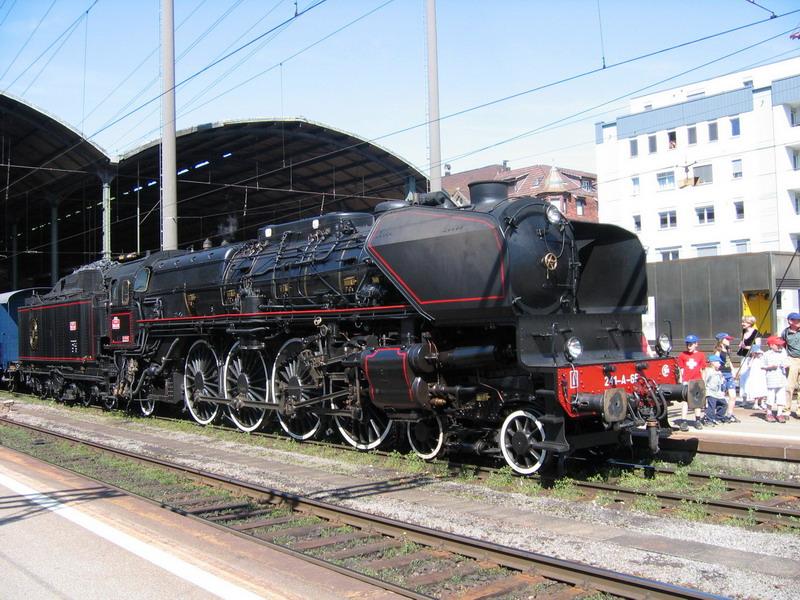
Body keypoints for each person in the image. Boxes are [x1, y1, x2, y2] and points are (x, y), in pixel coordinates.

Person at [677, 334, 707, 431]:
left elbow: (703, 369)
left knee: (697, 401)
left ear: (696, 344)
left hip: (697, 380)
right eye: (687, 344)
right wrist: (682, 380)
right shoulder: (682, 355)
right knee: (686, 400)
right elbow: (681, 368)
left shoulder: (701, 355)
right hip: (687, 381)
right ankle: (683, 420)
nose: (689, 346)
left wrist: (703, 381)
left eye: (691, 344)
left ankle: (697, 420)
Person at [713, 333, 739, 423]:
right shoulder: (718, 351)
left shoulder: (727, 350)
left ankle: (729, 414)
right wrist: (718, 371)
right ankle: (718, 414)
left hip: (729, 375)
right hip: (722, 375)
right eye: (727, 339)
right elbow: (715, 362)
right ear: (721, 340)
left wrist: (733, 370)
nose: (729, 341)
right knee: (721, 396)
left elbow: (728, 361)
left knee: (733, 396)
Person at [763, 336, 789, 423]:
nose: (780, 346)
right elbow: (762, 366)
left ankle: (779, 413)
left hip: (781, 377)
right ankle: (769, 412)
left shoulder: (783, 352)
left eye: (780, 345)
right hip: (771, 378)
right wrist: (769, 367)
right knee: (771, 396)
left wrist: (786, 365)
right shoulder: (767, 354)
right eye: (777, 345)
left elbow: (786, 361)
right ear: (771, 345)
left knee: (781, 396)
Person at [781, 312, 800, 419]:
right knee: (789, 386)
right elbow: (782, 346)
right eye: (796, 320)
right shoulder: (785, 333)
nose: (798, 322)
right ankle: (786, 409)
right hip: (792, 359)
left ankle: (799, 410)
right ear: (790, 321)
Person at [703, 355, 728, 424]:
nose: (720, 364)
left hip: (718, 392)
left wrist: (723, 388)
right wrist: (704, 390)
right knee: (712, 406)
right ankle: (709, 419)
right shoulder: (708, 371)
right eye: (718, 362)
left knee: (724, 404)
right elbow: (704, 380)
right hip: (710, 392)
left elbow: (721, 382)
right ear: (713, 363)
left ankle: (719, 417)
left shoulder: (719, 372)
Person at [742, 344, 768, 410]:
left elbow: (765, 365)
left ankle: (762, 402)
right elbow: (749, 365)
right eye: (757, 353)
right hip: (755, 376)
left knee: (763, 389)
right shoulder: (751, 359)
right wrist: (753, 357)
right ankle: (755, 403)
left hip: (762, 375)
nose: (758, 354)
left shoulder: (763, 359)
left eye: (759, 353)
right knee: (756, 389)